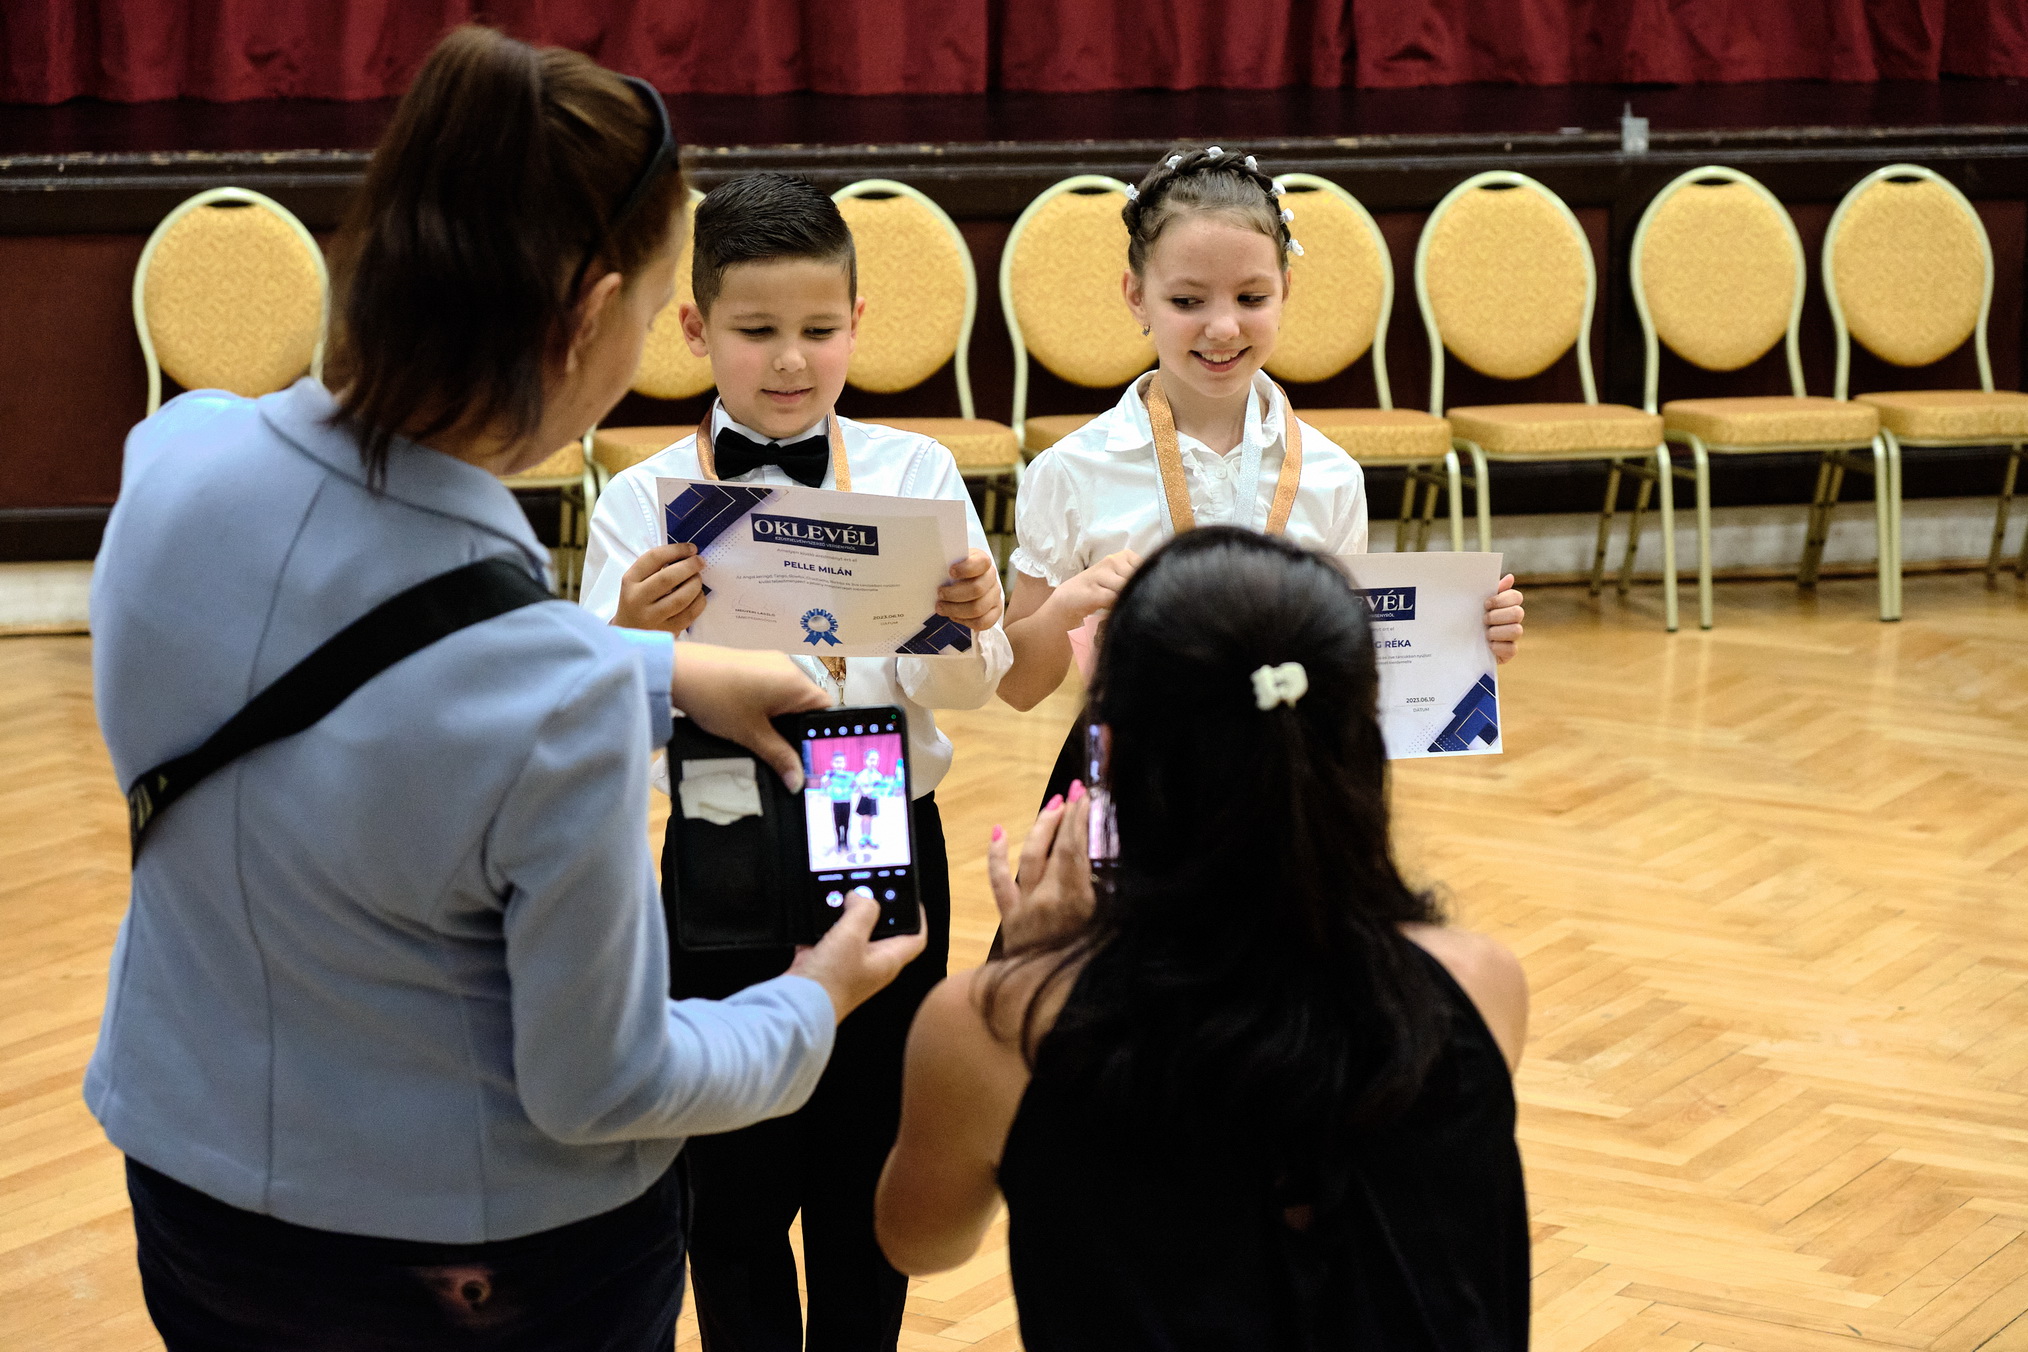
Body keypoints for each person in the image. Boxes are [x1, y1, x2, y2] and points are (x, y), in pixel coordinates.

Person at [85, 28, 921, 1352]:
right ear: (590, 320)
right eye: (657, 310)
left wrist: (667, 667)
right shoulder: (555, 705)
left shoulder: (172, 463)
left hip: (190, 1182)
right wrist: (811, 1000)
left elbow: (393, 676)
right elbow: (607, 1085)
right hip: (468, 1264)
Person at [876, 527, 1532, 1351]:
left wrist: (1038, 970)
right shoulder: (1481, 986)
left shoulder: (994, 1028)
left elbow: (919, 1243)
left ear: (1107, 753)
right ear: (1364, 738)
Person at [578, 172, 1010, 1352]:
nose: (789, 359)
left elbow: (972, 687)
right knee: (730, 1170)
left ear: (859, 322)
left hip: (886, 826)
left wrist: (965, 625)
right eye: (756, 329)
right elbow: (593, 720)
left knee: (870, 1159)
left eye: (819, 329)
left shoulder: (916, 476)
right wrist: (630, 634)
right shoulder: (639, 500)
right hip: (720, 838)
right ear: (693, 327)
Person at [997, 145, 1525, 796]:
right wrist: (1063, 610)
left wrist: (1460, 641)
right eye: (1187, 300)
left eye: (1251, 297)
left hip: (1288, 781)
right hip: (1135, 779)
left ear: (1285, 291)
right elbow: (1017, 687)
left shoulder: (1331, 475)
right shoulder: (1071, 471)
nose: (1223, 327)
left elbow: (1354, 669)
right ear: (1137, 296)